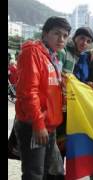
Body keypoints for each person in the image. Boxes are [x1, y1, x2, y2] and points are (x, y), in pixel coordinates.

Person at [13, 16, 71, 180]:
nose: (61, 39)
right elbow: (28, 92)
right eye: (56, 33)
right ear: (45, 34)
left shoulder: (52, 56)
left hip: (49, 126)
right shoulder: (32, 51)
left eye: (65, 36)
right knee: (34, 175)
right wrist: (38, 124)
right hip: (35, 125)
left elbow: (49, 88)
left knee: (46, 173)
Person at [53, 26, 93, 180]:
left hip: (69, 107)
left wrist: (86, 84)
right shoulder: (64, 52)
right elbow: (60, 77)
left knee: (65, 146)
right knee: (58, 148)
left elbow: (74, 80)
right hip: (59, 107)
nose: (84, 43)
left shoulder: (79, 56)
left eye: (88, 41)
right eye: (82, 38)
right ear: (75, 37)